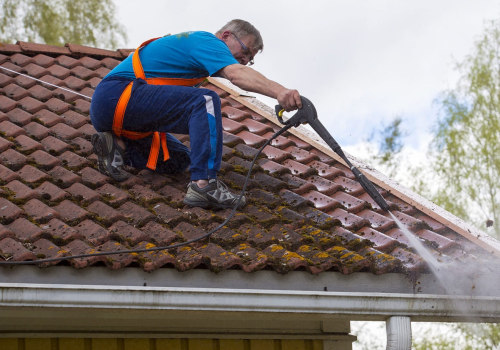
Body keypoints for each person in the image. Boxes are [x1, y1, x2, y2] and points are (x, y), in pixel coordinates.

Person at [89, 19, 302, 210]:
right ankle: (205, 184)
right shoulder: (207, 41)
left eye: (250, 59)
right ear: (226, 35)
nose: (244, 60)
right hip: (118, 95)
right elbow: (236, 75)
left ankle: (117, 146)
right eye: (245, 51)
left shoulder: (193, 54)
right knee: (205, 101)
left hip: (116, 112)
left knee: (180, 161)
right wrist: (280, 92)